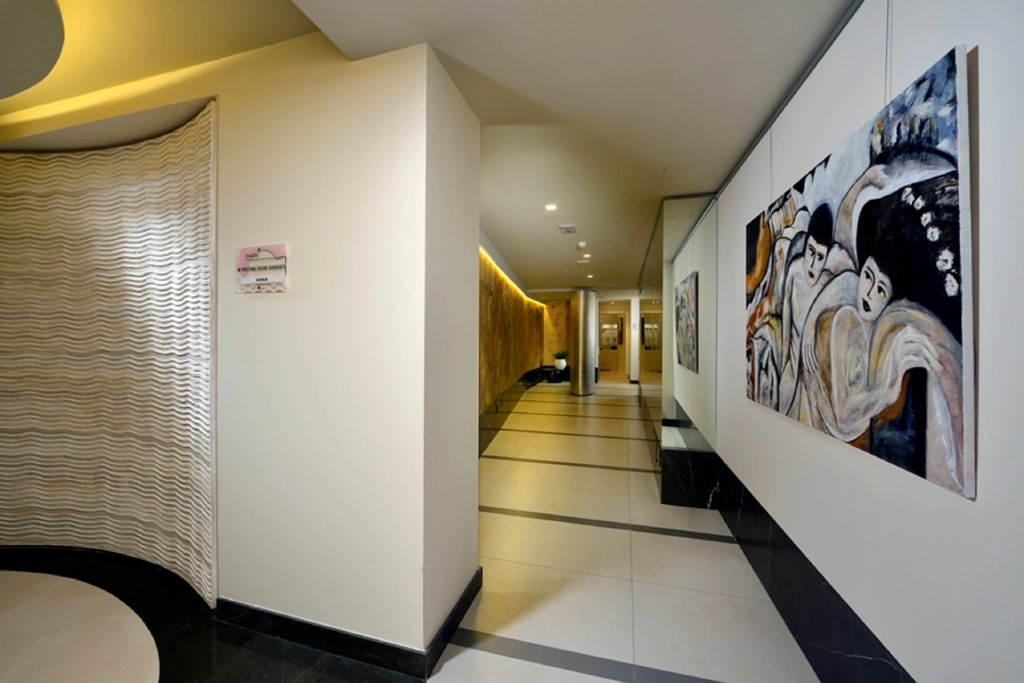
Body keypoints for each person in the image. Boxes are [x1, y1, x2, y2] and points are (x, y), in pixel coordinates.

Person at [799, 167, 970, 495]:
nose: (868, 292)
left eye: (880, 289)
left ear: (890, 297)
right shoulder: (846, 319)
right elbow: (844, 416)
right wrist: (887, 388)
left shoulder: (886, 328)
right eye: (868, 277)